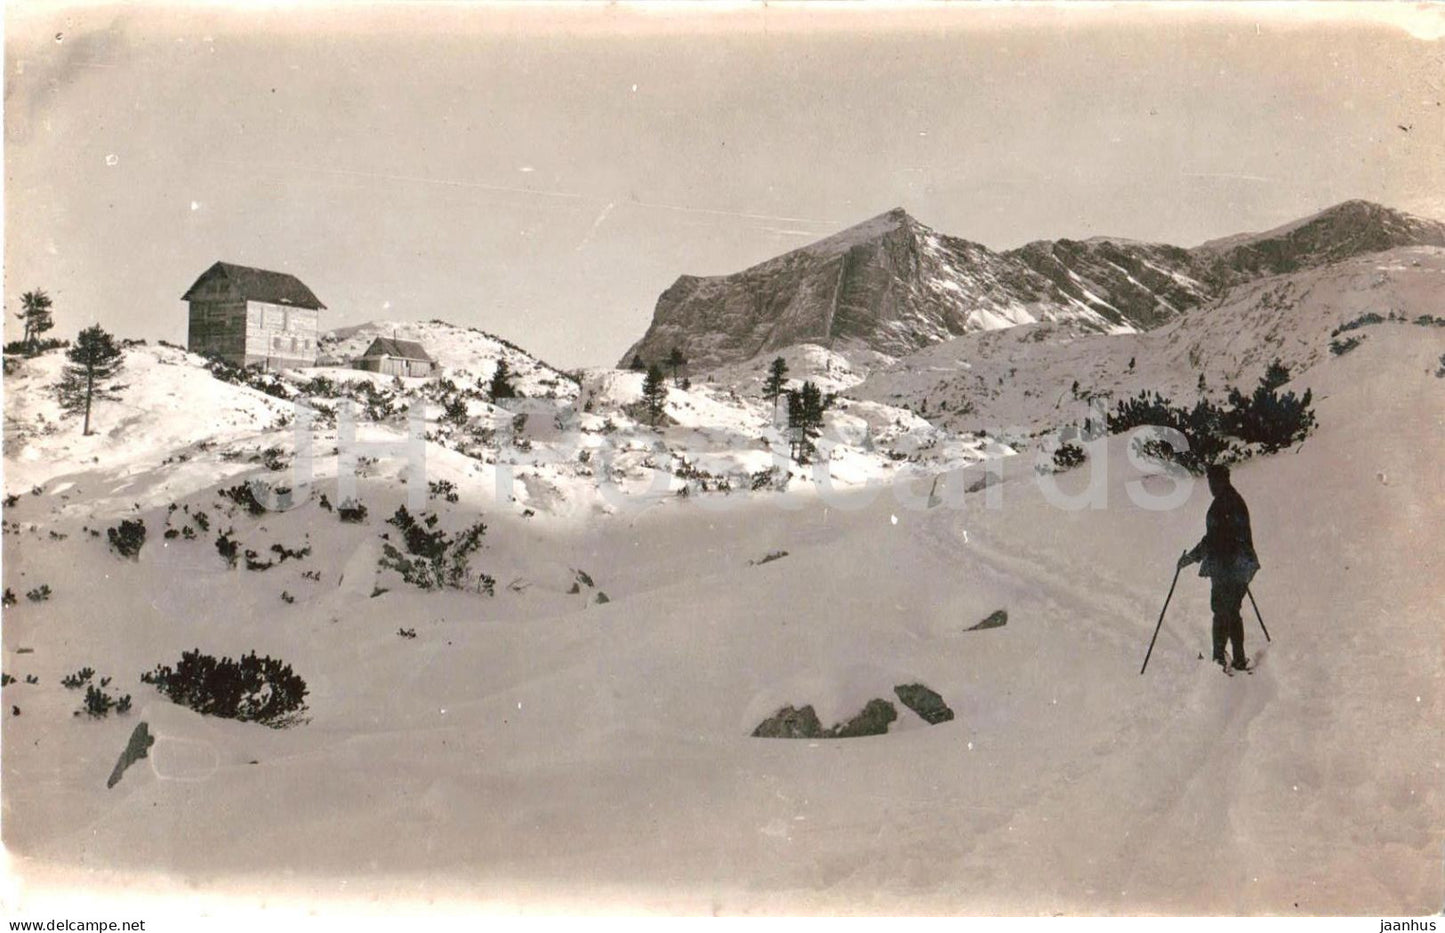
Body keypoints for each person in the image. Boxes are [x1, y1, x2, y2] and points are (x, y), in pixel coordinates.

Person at [1178, 464, 1260, 670]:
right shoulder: (1235, 500)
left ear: (1222, 480)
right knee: (1232, 611)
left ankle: (1219, 659)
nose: (1211, 486)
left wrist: (1190, 558)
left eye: (1213, 482)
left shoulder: (1222, 504)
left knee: (1221, 611)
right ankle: (1238, 659)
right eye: (1210, 482)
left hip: (1226, 566)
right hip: (1239, 566)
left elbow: (1212, 540)